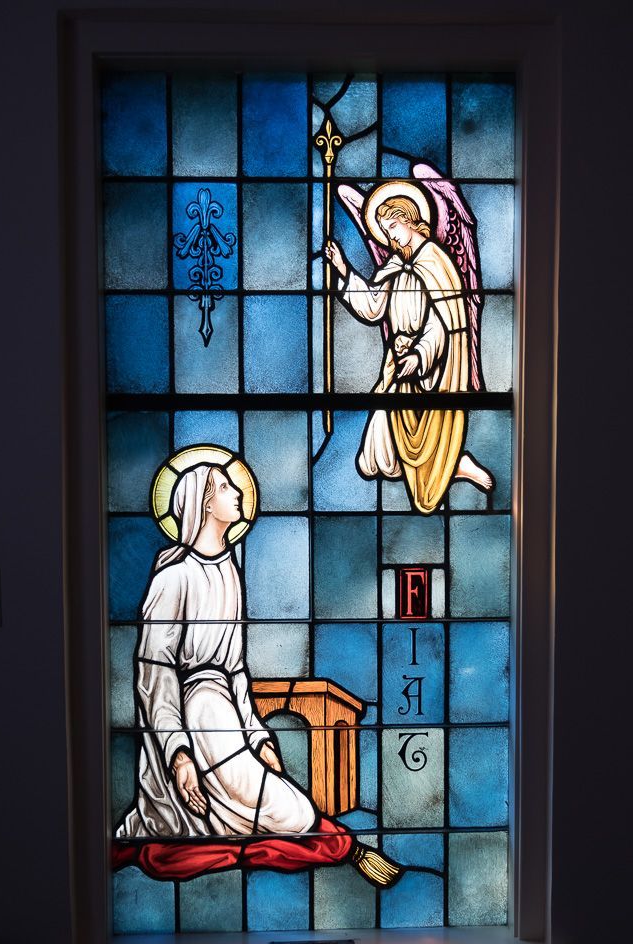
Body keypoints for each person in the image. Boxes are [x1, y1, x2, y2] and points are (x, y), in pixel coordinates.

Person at [114, 460, 401, 887]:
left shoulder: (229, 572)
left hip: (226, 710)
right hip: (197, 715)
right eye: (226, 485)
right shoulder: (174, 578)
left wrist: (258, 736)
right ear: (204, 504)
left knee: (295, 811)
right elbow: (155, 673)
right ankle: (330, 844)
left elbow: (235, 670)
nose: (238, 492)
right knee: (294, 815)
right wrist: (178, 754)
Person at [325, 188, 493, 513]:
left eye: (391, 228)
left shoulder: (436, 262)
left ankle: (455, 462)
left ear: (409, 220)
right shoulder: (394, 266)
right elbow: (373, 307)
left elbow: (444, 324)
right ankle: (450, 465)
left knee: (418, 442)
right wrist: (343, 270)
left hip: (432, 368)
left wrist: (420, 356)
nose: (388, 238)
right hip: (398, 364)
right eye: (384, 233)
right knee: (375, 458)